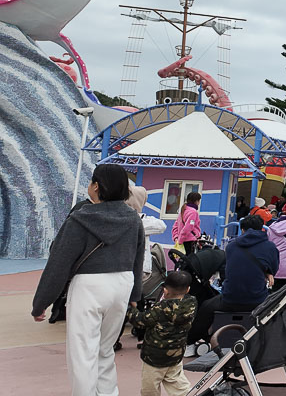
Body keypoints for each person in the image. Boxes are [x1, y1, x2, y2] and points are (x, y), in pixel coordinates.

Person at [31, 163, 146, 396]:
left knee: (83, 353)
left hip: (89, 286)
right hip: (122, 285)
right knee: (105, 350)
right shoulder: (133, 219)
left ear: (96, 186)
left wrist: (41, 302)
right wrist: (135, 296)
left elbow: (58, 263)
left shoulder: (80, 219)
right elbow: (138, 256)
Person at [187, 215, 279, 348]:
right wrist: (267, 272)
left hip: (229, 299)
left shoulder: (231, 246)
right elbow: (274, 268)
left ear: (242, 230)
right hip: (257, 301)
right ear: (262, 229)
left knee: (206, 306)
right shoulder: (270, 247)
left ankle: (190, 342)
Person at [128, 270, 197, 396]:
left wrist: (130, 309)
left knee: (150, 387)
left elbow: (141, 321)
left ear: (165, 291)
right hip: (175, 354)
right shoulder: (191, 304)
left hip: (154, 357)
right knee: (176, 382)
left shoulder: (160, 308)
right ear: (188, 289)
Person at [127, 185, 168, 276]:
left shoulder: (138, 220)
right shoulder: (143, 221)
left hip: (129, 266)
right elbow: (161, 226)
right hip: (139, 267)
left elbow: (161, 226)